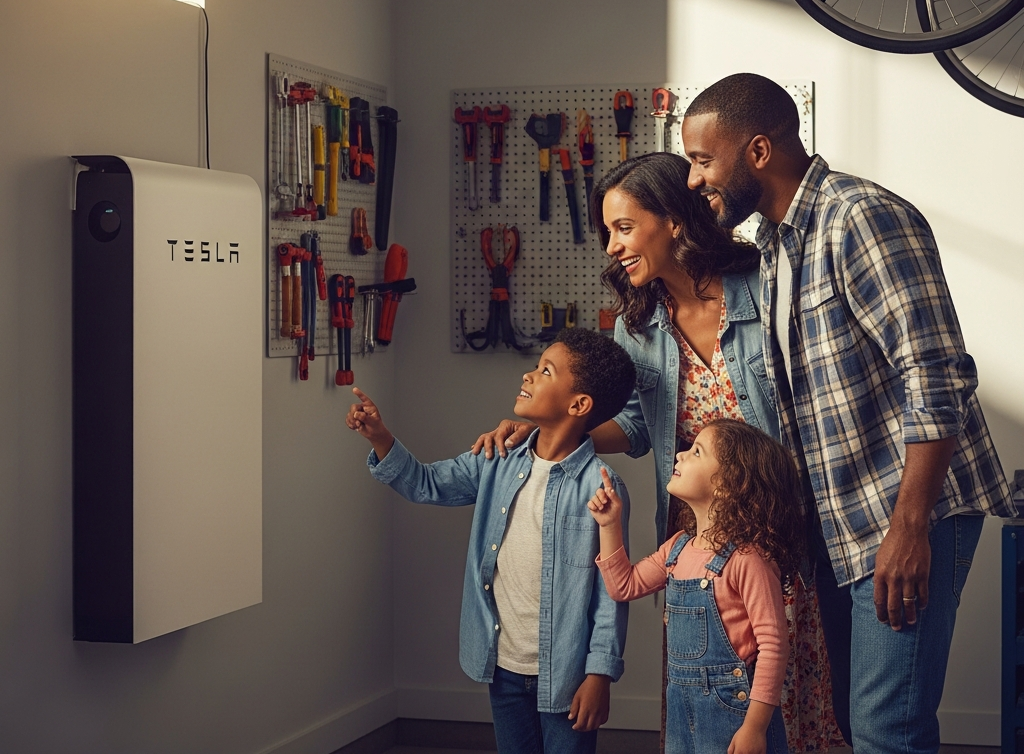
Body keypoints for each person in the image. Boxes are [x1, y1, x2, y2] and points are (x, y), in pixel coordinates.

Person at [681, 72, 1014, 753]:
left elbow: (935, 371)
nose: (694, 179)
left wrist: (910, 526)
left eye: (701, 160)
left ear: (759, 151)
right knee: (856, 722)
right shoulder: (776, 245)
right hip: (845, 525)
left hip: (907, 514)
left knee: (886, 731)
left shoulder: (858, 217)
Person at [473, 153, 841, 751]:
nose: (612, 248)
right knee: (701, 687)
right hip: (694, 526)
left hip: (774, 524)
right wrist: (551, 437)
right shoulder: (637, 323)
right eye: (606, 233)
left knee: (781, 686)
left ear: (673, 219)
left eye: (623, 228)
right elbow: (639, 428)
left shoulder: (763, 283)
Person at [347, 328, 636, 754]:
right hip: (503, 665)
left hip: (568, 674)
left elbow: (612, 592)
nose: (529, 375)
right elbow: (426, 483)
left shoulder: (602, 488)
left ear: (578, 405)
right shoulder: (495, 458)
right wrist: (379, 437)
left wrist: (600, 675)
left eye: (545, 371)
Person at [588, 419, 801, 754]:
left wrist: (755, 728)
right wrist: (609, 524)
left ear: (730, 485)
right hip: (682, 711)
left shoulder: (748, 559)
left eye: (696, 451)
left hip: (733, 716)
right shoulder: (677, 548)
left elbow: (774, 646)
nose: (680, 456)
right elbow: (623, 586)